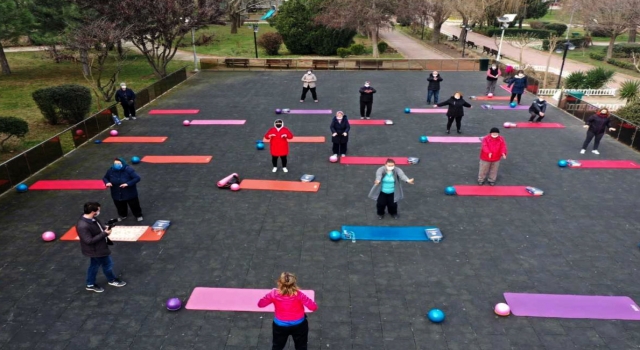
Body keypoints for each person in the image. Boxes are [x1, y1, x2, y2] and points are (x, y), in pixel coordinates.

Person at [258, 272, 318, 350]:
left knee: (277, 347)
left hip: (280, 326)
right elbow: (313, 307)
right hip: (299, 325)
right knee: (301, 347)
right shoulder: (299, 295)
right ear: (294, 283)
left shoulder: (273, 294)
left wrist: (270, 294)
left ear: (279, 282)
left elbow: (261, 304)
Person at [77, 202, 126, 293]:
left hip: (98, 248)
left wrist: (106, 228)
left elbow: (99, 227)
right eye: (98, 210)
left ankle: (90, 284)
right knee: (108, 264)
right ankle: (112, 280)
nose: (99, 211)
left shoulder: (92, 219)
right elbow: (88, 241)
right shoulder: (83, 226)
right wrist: (104, 234)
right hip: (96, 250)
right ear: (93, 211)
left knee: (94, 265)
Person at [103, 158, 143, 222]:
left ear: (122, 163)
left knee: (134, 205)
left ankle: (138, 215)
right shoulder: (110, 170)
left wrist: (128, 184)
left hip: (129, 192)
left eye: (118, 163)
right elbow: (105, 178)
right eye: (115, 163)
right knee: (120, 206)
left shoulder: (128, 170)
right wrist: (107, 182)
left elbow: (137, 178)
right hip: (116, 192)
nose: (116, 165)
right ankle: (123, 215)